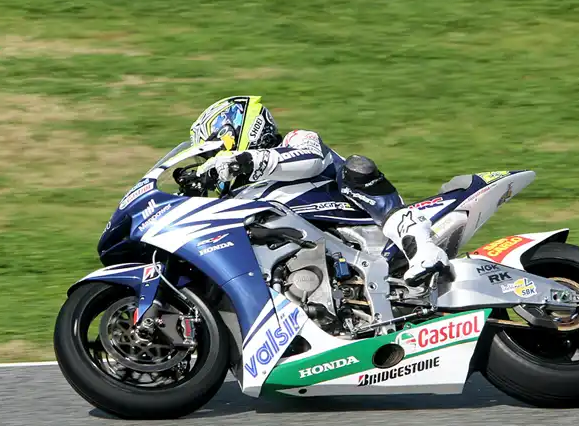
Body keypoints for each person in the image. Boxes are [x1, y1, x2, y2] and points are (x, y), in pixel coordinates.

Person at [191, 95, 449, 286]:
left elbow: (311, 158)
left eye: (214, 152)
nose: (213, 161)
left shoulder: (297, 139)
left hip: (360, 223)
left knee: (357, 168)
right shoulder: (243, 195)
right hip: (307, 257)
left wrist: (245, 160)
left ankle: (422, 247)